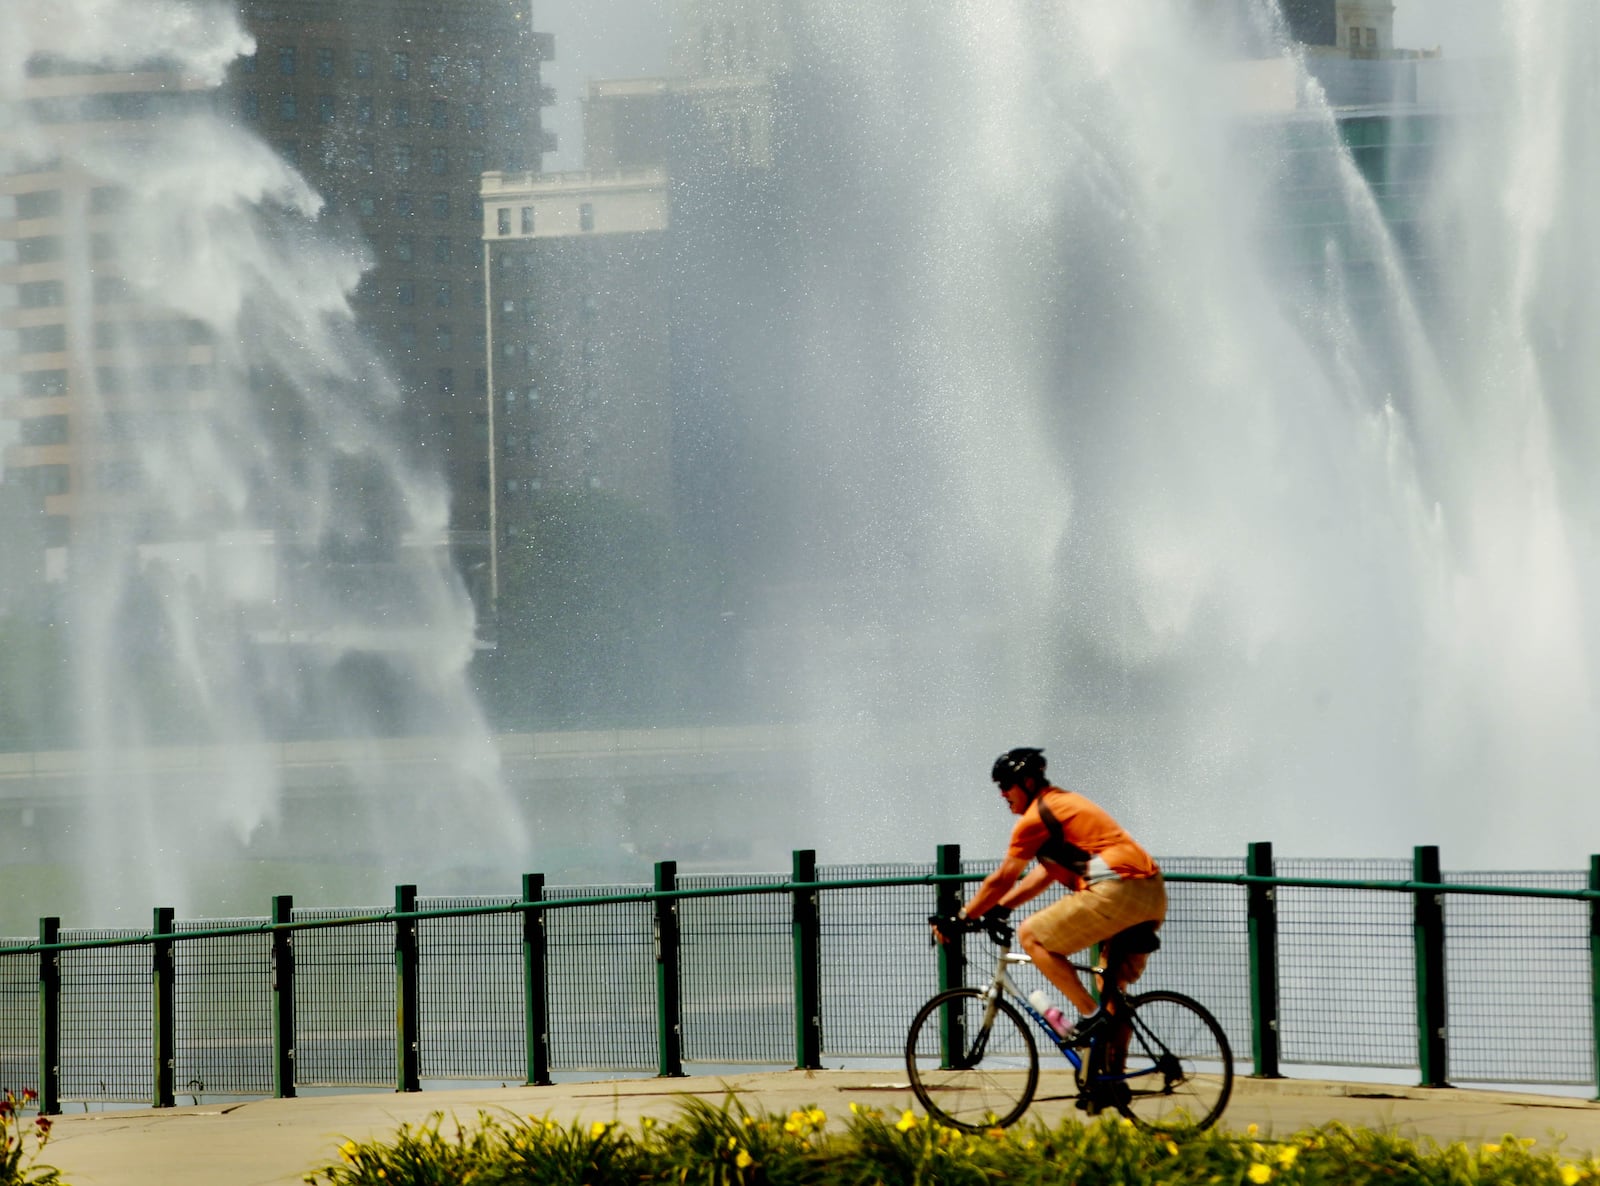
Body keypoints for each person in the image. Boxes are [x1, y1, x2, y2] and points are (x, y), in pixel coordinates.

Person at [948, 747, 1166, 1046]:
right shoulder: (1061, 807)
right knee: (1110, 988)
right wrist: (1001, 907)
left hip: (1117, 889)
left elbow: (1002, 878)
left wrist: (961, 917)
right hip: (1151, 893)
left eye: (1005, 785)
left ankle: (1089, 1015)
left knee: (1032, 935)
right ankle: (1112, 1083)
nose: (1002, 794)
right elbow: (1043, 875)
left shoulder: (1035, 817)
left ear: (1026, 783)